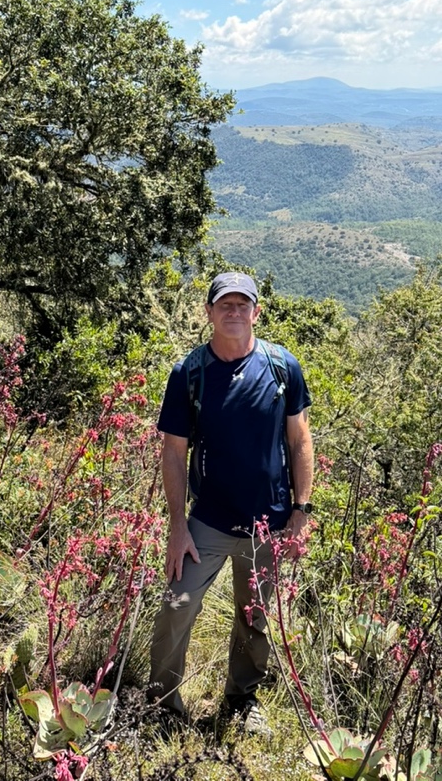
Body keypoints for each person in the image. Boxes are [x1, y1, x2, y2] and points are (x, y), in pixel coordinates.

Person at [148, 271, 314, 733]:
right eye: (225, 305)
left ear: (257, 312)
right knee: (177, 606)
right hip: (208, 520)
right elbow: (174, 453)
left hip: (271, 523)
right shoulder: (190, 373)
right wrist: (177, 526)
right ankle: (161, 705)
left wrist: (302, 510)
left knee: (254, 617)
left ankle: (241, 701)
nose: (235, 312)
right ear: (209, 313)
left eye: (243, 305)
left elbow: (300, 440)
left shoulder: (283, 368)